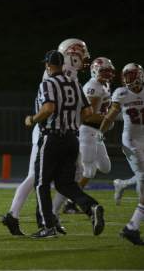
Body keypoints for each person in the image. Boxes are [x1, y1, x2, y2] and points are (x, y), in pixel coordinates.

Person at [2, 38, 90, 236]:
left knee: (69, 175)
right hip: (49, 130)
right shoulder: (64, 73)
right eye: (81, 54)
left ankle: (46, 215)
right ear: (71, 55)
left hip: (59, 131)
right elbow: (60, 105)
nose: (84, 58)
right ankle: (16, 215)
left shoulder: (66, 72)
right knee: (39, 176)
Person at [24, 50, 104, 238]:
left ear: (48, 65)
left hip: (52, 137)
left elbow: (48, 108)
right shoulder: (75, 84)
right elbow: (87, 113)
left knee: (41, 184)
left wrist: (32, 120)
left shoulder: (48, 83)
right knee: (65, 183)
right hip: (71, 138)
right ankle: (90, 206)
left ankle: (48, 226)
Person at [100, 63, 144, 245]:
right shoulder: (121, 93)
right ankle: (132, 228)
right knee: (143, 179)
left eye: (132, 75)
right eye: (126, 75)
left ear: (140, 75)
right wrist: (100, 132)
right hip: (131, 142)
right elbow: (111, 114)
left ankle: (123, 184)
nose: (128, 79)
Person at [76, 58, 115, 188]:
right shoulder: (93, 86)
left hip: (97, 132)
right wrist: (109, 119)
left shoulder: (105, 85)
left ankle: (78, 167)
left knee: (105, 167)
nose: (107, 74)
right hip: (87, 131)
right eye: (103, 71)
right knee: (89, 171)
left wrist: (108, 119)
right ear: (94, 71)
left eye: (109, 71)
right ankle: (71, 200)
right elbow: (89, 116)